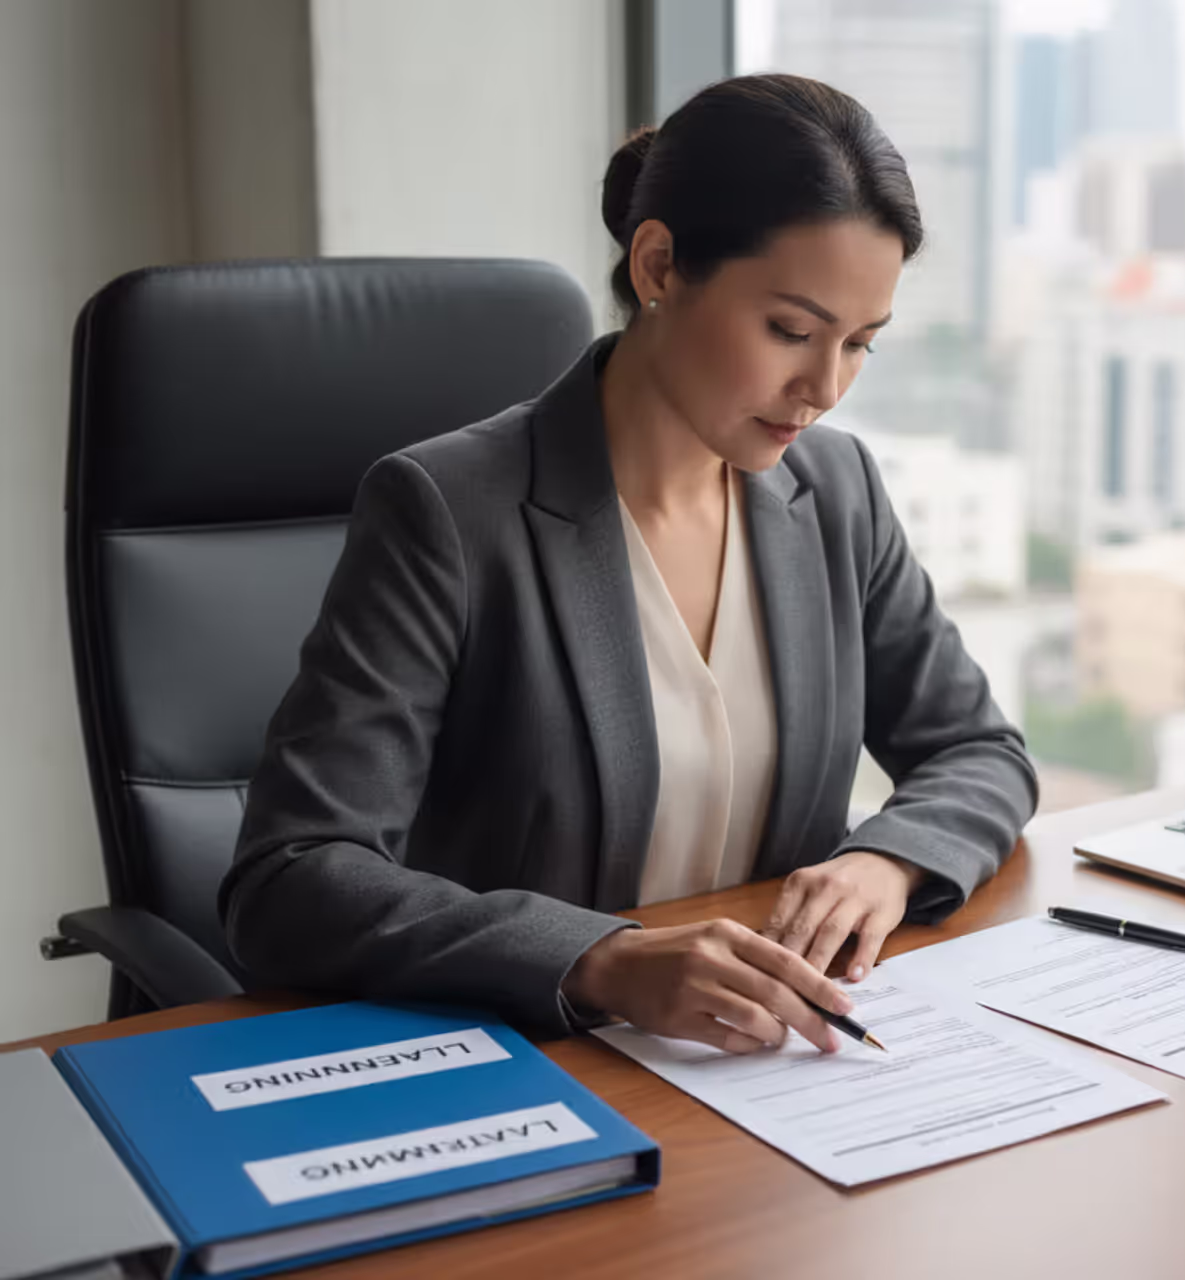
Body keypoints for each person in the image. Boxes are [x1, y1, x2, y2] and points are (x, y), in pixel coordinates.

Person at [219, 74, 1038, 1055]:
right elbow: (291, 877)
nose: (824, 387)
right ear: (659, 265)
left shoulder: (837, 490)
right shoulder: (448, 510)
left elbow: (978, 751)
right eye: (790, 330)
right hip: (532, 1055)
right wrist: (598, 958)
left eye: (860, 343)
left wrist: (889, 861)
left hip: (765, 1061)